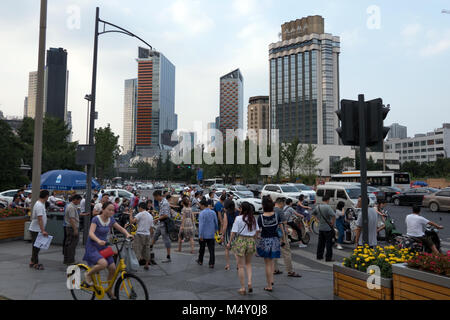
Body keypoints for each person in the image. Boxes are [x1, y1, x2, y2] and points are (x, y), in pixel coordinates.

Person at [83, 202, 133, 299]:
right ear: (103, 209)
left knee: (113, 268)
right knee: (103, 264)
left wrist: (127, 234)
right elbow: (91, 233)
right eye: (109, 209)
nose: (111, 211)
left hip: (103, 246)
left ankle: (109, 289)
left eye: (112, 210)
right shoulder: (96, 219)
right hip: (93, 246)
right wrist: (98, 240)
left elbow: (120, 228)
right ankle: (88, 274)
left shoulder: (111, 220)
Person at [227, 202, 258, 295]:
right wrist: (254, 241)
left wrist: (229, 242)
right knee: (248, 264)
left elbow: (233, 232)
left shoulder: (238, 218)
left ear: (242, 209)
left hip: (241, 240)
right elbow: (257, 231)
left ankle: (243, 287)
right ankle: (249, 282)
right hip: (251, 240)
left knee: (240, 266)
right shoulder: (253, 218)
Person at [256, 196, 284, 292]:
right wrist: (283, 239)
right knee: (272, 262)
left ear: (263, 206)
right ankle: (271, 280)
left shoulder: (261, 217)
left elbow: (257, 231)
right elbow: (281, 228)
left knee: (267, 264)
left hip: (265, 241)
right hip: (275, 241)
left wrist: (256, 238)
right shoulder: (276, 215)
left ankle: (269, 285)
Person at [273, 198, 302, 277]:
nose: (283, 206)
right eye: (283, 204)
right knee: (286, 252)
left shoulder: (270, 209)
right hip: (281, 234)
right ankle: (290, 271)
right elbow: (284, 222)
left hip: (272, 234)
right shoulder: (279, 211)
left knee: (274, 252)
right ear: (281, 203)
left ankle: (274, 269)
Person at [128, 202, 154, 270]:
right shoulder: (150, 216)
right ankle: (146, 264)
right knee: (147, 249)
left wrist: (130, 213)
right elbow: (151, 228)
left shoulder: (140, 214)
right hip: (147, 235)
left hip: (140, 234)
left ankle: (136, 265)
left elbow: (132, 222)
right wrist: (151, 236)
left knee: (137, 249)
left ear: (140, 207)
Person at [29, 190, 50, 270]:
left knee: (37, 246)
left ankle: (32, 261)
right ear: (46, 196)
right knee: (36, 247)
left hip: (37, 229)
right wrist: (43, 230)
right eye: (48, 196)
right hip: (36, 229)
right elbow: (39, 218)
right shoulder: (39, 205)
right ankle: (35, 263)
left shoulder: (42, 204)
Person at [311, 195, 336, 262]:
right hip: (328, 228)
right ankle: (328, 258)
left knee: (320, 243)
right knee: (328, 243)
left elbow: (313, 214)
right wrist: (332, 223)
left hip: (321, 227)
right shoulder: (328, 207)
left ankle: (319, 256)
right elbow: (333, 215)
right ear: (328, 200)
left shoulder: (318, 207)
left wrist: (317, 219)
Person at [196, 198, 219, 268]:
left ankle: (200, 261)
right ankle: (211, 263)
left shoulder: (202, 213)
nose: (200, 207)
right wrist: (216, 230)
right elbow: (216, 222)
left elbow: (201, 225)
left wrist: (200, 235)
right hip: (211, 234)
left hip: (203, 234)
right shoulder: (213, 212)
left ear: (203, 205)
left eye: (200, 205)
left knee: (202, 249)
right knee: (211, 250)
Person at [151, 190, 172, 263]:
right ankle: (150, 250)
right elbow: (162, 213)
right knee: (155, 236)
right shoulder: (161, 202)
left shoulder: (165, 203)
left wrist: (156, 219)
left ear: (158, 196)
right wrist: (157, 218)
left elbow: (165, 215)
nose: (155, 199)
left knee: (166, 239)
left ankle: (168, 257)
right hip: (161, 223)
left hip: (164, 223)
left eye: (155, 197)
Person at [63, 194, 83, 265]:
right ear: (75, 199)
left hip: (69, 227)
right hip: (71, 228)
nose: (79, 202)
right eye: (79, 200)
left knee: (68, 244)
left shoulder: (71, 206)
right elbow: (72, 219)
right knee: (72, 245)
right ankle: (70, 260)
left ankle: (67, 260)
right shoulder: (71, 207)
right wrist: (75, 229)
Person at [221, 199, 239, 270]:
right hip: (236, 232)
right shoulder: (237, 212)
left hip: (228, 232)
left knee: (227, 249)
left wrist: (222, 234)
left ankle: (228, 264)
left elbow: (225, 225)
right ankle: (238, 265)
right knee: (236, 250)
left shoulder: (226, 214)